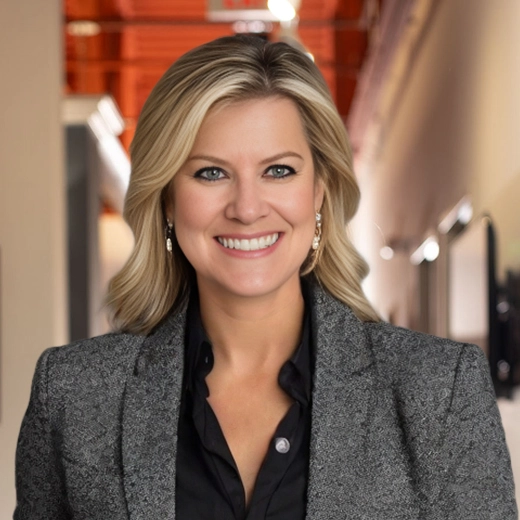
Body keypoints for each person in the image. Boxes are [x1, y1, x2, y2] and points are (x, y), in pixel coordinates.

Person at [14, 35, 517, 520]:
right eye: (211, 172)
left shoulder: (439, 391)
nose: (247, 208)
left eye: (278, 170)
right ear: (168, 199)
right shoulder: (74, 394)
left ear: (319, 190)